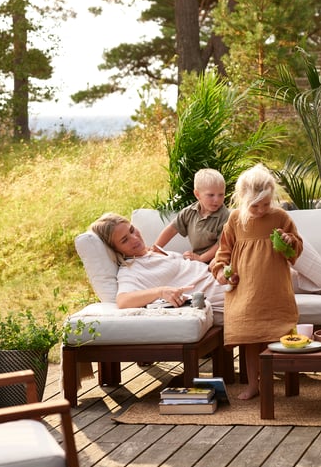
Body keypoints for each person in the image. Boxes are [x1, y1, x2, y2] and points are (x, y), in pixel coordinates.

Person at [212, 164, 303, 400]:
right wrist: (222, 271)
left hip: (274, 290)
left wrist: (288, 240)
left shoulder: (280, 217)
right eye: (255, 205)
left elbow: (295, 251)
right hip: (245, 291)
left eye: (266, 204)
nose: (261, 210)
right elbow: (223, 253)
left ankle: (280, 383)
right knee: (250, 340)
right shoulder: (234, 220)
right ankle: (254, 385)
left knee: (278, 335)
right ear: (242, 199)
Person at [90, 212, 226, 322]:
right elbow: (123, 301)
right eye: (125, 240)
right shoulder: (132, 269)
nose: (135, 238)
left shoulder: (153, 252)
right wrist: (160, 292)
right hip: (225, 297)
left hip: (225, 279)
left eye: (132, 230)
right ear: (116, 249)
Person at [154, 168, 229, 263]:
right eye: (211, 195)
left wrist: (201, 258)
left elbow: (221, 245)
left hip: (219, 259)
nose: (217, 200)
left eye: (221, 195)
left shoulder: (224, 216)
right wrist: (156, 248)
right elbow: (171, 229)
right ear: (197, 194)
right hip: (197, 261)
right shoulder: (189, 212)